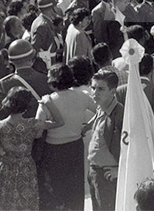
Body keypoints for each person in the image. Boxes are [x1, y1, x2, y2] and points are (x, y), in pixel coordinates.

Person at [0, 86, 64, 211]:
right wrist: (48, 103)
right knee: (26, 202)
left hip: (5, 166)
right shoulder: (32, 124)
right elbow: (59, 122)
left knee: (4, 202)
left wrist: (3, 158)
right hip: (26, 166)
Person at [36, 64, 96, 210]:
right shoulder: (83, 96)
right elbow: (102, 111)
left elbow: (38, 128)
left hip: (53, 150)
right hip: (75, 146)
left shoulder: (47, 100)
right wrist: (87, 126)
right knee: (75, 190)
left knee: (54, 191)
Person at [85, 69, 123, 211]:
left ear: (113, 91)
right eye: (93, 88)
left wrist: (120, 170)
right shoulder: (101, 108)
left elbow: (132, 146)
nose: (95, 92)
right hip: (95, 171)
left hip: (108, 175)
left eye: (101, 89)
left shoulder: (119, 114)